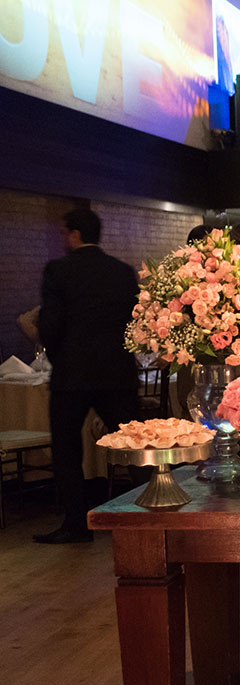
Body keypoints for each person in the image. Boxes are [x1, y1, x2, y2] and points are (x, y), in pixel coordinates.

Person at [35, 209, 139, 543]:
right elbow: (133, 322)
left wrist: (59, 358)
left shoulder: (58, 270)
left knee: (67, 449)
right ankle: (150, 516)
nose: (64, 239)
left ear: (76, 234)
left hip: (72, 375)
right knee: (135, 444)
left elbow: (50, 325)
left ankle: (76, 525)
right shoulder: (122, 272)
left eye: (65, 233)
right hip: (117, 372)